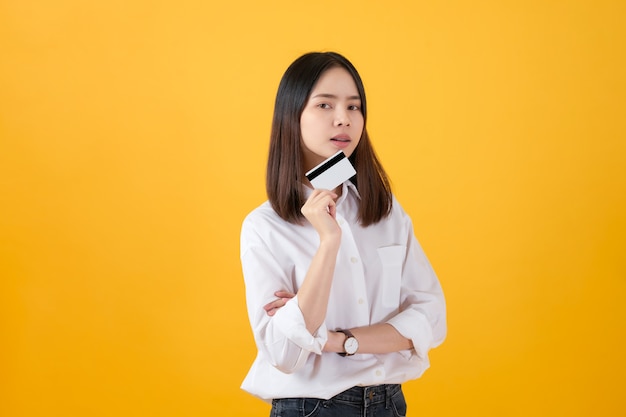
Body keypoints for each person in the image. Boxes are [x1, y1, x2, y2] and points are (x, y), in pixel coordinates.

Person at [240, 51, 446, 417]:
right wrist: (329, 241)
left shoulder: (383, 209)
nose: (343, 119)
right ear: (292, 116)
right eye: (324, 105)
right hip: (310, 408)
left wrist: (337, 340)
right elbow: (284, 354)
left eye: (354, 107)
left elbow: (430, 317)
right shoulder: (264, 226)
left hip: (388, 404)